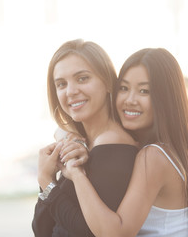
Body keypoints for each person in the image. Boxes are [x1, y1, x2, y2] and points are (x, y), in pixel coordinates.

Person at [60, 48, 188, 236]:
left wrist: (77, 174)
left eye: (144, 91)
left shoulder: (154, 156)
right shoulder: (172, 151)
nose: (130, 100)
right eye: (124, 88)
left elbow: (116, 233)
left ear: (165, 99)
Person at [31, 39, 138, 236]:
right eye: (61, 84)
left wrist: (46, 180)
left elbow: (88, 232)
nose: (71, 91)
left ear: (107, 82)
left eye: (82, 79)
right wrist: (47, 182)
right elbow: (42, 228)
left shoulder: (113, 146)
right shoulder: (82, 144)